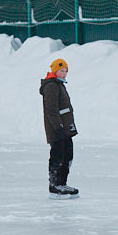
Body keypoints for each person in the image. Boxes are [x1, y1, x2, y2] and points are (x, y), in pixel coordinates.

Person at [40, 58, 79, 199]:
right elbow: (51, 110)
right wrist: (58, 127)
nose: (64, 73)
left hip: (65, 129)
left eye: (66, 71)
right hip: (57, 129)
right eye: (61, 70)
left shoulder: (59, 85)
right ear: (55, 71)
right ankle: (54, 184)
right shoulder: (51, 86)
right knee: (58, 155)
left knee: (68, 154)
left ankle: (62, 182)